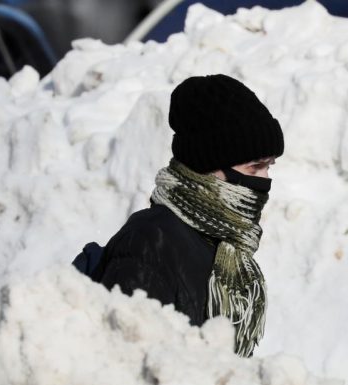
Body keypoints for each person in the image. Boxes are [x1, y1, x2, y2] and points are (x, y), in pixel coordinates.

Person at [90, 74, 284, 357]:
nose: (265, 180)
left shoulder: (219, 242)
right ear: (209, 165)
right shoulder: (151, 242)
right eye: (255, 167)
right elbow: (126, 364)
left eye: (269, 167)